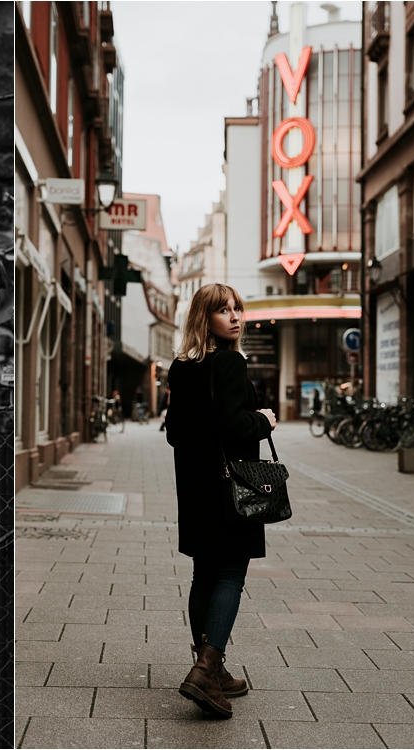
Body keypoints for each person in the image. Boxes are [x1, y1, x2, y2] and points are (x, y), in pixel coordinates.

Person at [163, 284, 276, 719]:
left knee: (202, 575)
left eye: (237, 309)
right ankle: (206, 671)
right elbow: (234, 427)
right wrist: (262, 420)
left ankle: (213, 668)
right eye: (222, 310)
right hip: (231, 490)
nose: (234, 316)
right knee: (230, 573)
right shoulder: (229, 362)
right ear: (204, 318)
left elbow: (174, 432)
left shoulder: (181, 366)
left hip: (194, 489)